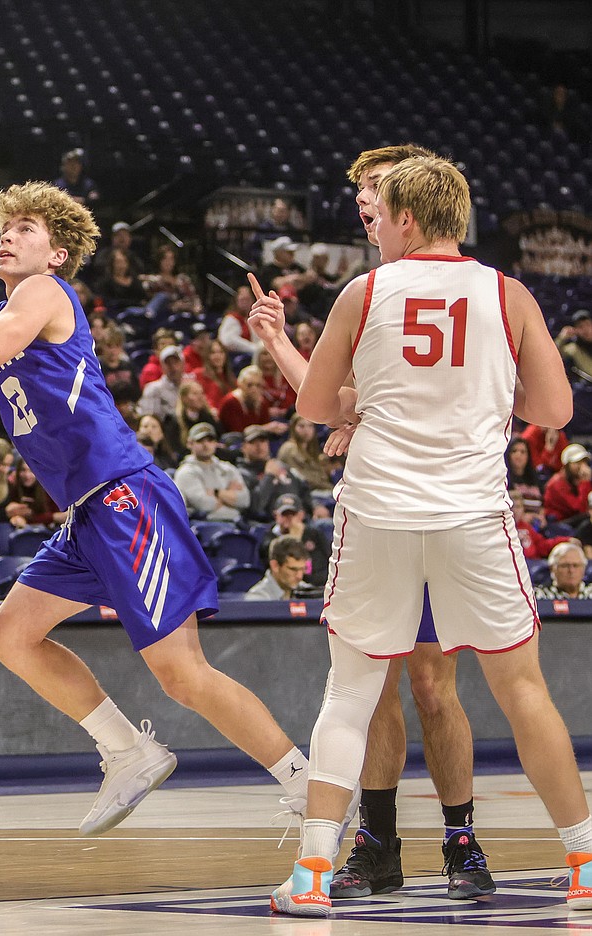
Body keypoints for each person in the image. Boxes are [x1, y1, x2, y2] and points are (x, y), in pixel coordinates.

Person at [0, 141, 314, 839]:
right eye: (1, 230)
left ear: (57, 254)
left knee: (183, 674)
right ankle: (127, 749)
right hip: (88, 511)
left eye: (24, 230)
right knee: (12, 634)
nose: (6, 238)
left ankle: (306, 786)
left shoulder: (42, 294)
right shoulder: (6, 306)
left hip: (124, 497)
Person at [265, 154, 591, 916]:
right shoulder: (507, 294)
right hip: (472, 514)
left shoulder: (366, 289)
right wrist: (479, 387)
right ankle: (583, 861)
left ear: (405, 217)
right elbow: (554, 411)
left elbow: (317, 404)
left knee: (349, 691)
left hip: (377, 511)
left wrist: (370, 402)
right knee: (520, 689)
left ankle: (312, 877)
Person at [250, 143, 495, 904]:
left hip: (436, 501)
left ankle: (460, 838)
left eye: (378, 189)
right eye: (357, 190)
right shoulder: (371, 287)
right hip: (384, 500)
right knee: (373, 686)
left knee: (430, 683)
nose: (364, 200)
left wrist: (356, 411)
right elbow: (340, 398)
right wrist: (285, 348)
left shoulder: (451, 285)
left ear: (415, 201)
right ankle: (378, 843)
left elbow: (354, 402)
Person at [174, 422, 248, 521]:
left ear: (215, 443)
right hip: (205, 525)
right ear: (190, 444)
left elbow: (244, 500)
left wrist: (217, 493)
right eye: (200, 441)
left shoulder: (227, 468)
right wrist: (229, 496)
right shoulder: (185, 472)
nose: (206, 445)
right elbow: (204, 505)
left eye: (210, 440)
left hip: (237, 522)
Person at [245, 536, 309, 600]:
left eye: (303, 569)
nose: (299, 576)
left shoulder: (309, 592)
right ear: (275, 566)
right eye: (293, 569)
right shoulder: (257, 599)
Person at [544, 443, 591, 524]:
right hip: (558, 524)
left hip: (574, 519)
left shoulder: (576, 479)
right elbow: (579, 508)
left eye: (583, 462)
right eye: (577, 463)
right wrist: (585, 482)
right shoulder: (557, 483)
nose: (582, 467)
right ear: (566, 465)